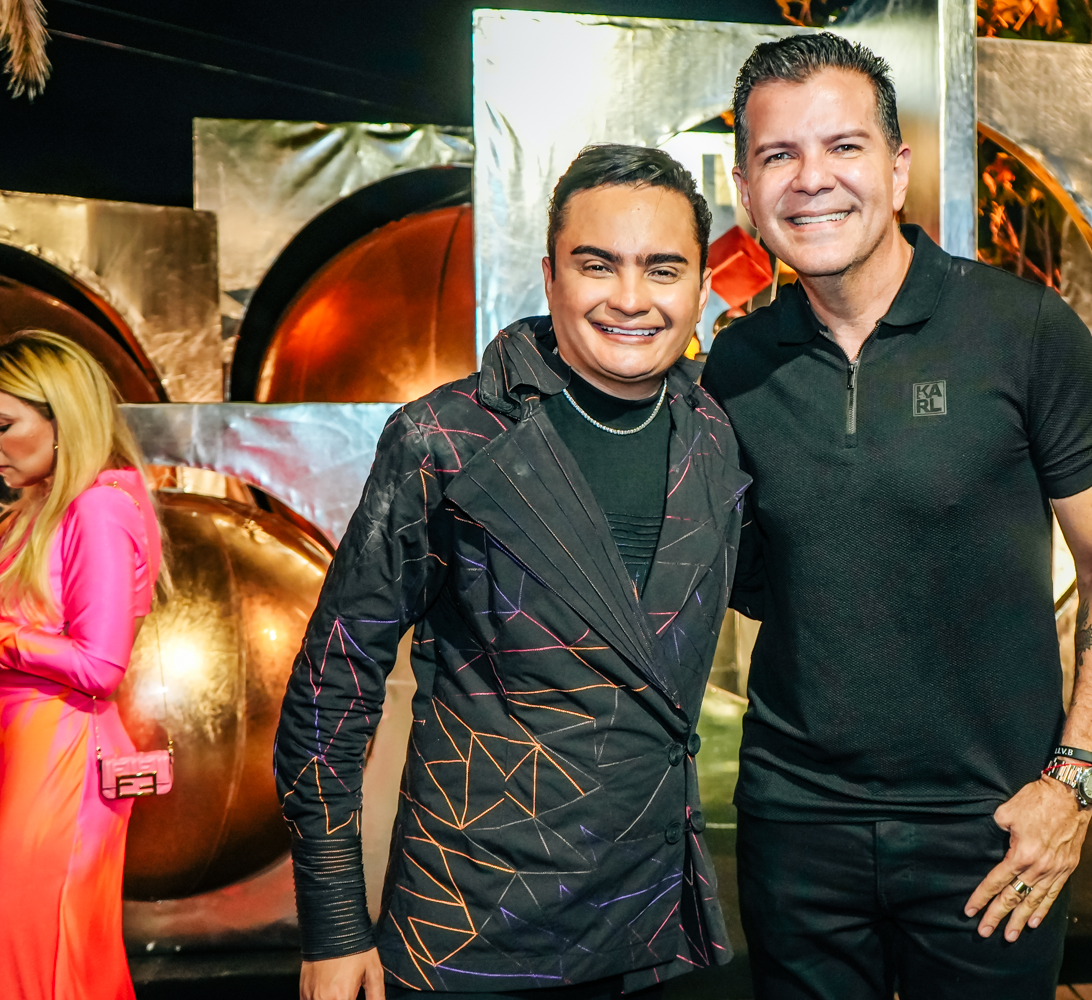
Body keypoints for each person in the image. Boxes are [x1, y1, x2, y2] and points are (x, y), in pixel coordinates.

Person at [700, 34, 1092, 999]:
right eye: (779, 155)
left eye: (844, 146)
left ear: (898, 169)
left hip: (993, 828)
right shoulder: (734, 368)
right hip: (797, 828)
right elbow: (750, 574)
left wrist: (1076, 782)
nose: (812, 179)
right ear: (745, 189)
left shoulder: (1024, 333)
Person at [277, 144, 749, 1000]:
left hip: (654, 927)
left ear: (702, 283)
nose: (631, 298)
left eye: (662, 268)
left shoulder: (714, 434)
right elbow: (332, 682)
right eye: (597, 265)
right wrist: (335, 923)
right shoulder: (449, 436)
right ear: (550, 276)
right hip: (475, 930)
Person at [0, 330, 168, 1000]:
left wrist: (0, 638)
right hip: (17, 758)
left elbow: (99, 664)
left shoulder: (98, 507)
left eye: (2, 425)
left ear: (62, 418)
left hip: (59, 759)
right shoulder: (37, 509)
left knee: (41, 964)